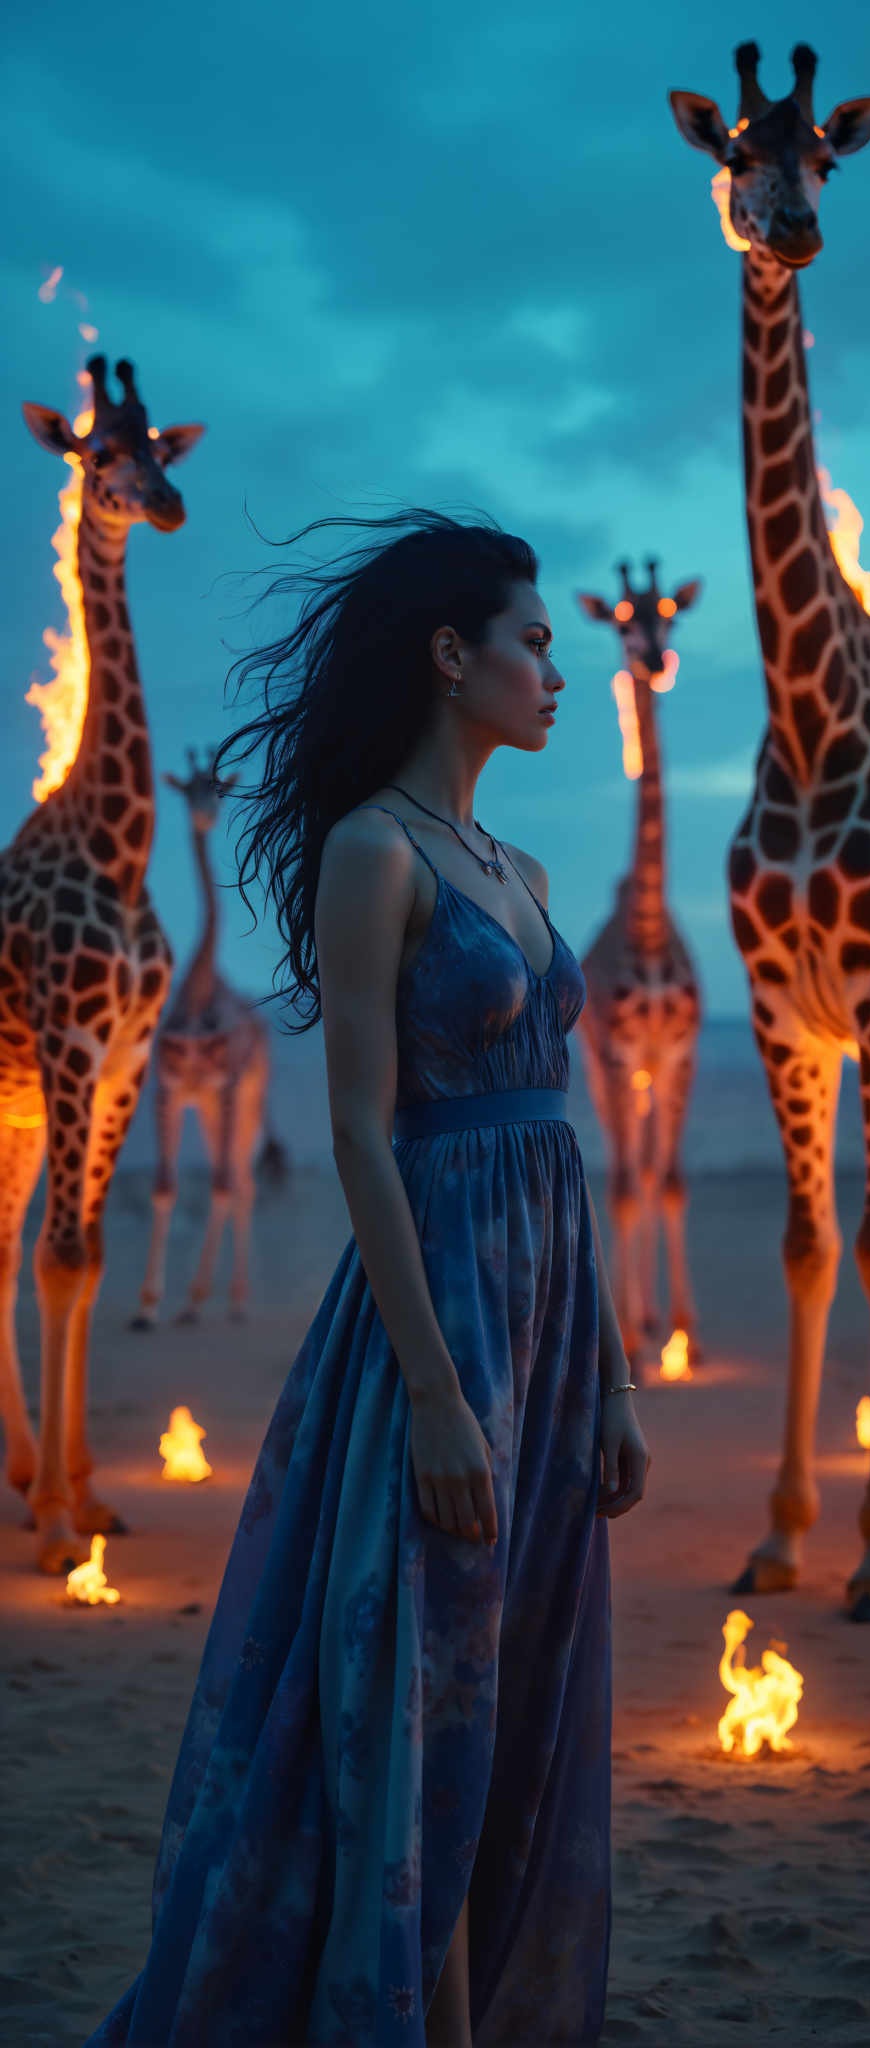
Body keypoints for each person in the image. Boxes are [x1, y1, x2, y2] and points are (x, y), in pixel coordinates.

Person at [84, 509, 649, 2048]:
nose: (557, 669)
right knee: (428, 1705)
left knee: (519, 1684)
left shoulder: (523, 864)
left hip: (548, 1318)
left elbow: (565, 1139)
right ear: (453, 656)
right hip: (441, 1323)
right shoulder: (371, 855)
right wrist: (435, 1394)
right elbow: (356, 1132)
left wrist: (607, 1372)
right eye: (534, 641)